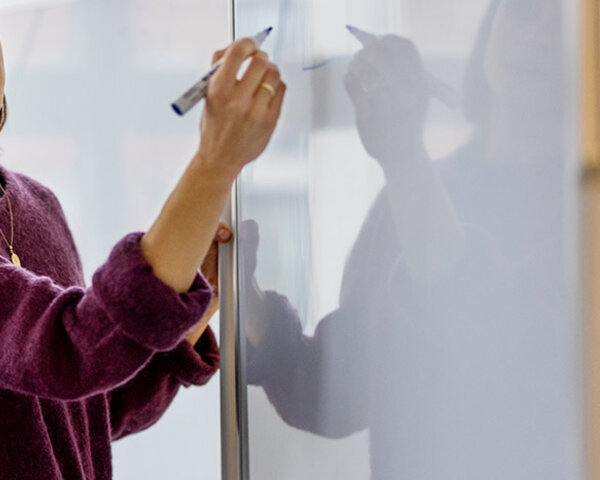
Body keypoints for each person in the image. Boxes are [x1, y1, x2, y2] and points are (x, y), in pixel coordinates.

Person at [0, 0, 285, 477]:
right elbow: (72, 354)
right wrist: (214, 162)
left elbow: (91, 406)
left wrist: (190, 303)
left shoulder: (36, 202)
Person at [241, 0, 577, 477]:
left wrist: (403, 159)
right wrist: (247, 299)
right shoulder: (406, 198)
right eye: (524, 10)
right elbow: (338, 395)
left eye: (565, 23)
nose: (537, 36)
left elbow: (495, 351)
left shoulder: (582, 214)